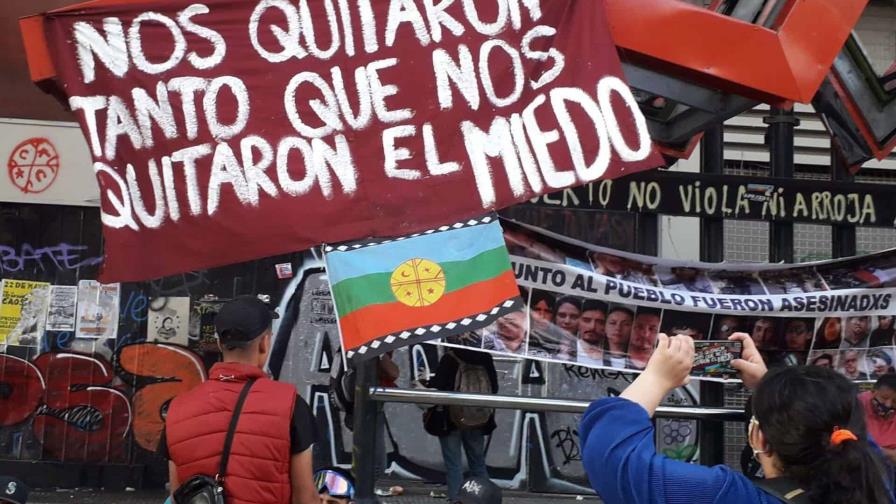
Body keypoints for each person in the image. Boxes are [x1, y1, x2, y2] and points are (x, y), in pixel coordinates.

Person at [579, 332, 894, 504]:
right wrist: (773, 391)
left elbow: (612, 458)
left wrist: (657, 378)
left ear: (760, 439)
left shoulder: (728, 496)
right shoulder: (877, 483)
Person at [162, 296, 318, 504]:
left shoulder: (177, 409)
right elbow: (304, 497)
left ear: (219, 343)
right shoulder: (291, 405)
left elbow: (179, 493)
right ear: (264, 342)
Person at [427, 347, 498, 503]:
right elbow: (494, 387)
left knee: (454, 465)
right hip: (478, 419)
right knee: (478, 463)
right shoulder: (485, 358)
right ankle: (485, 500)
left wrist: (426, 382)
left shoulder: (450, 358)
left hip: (451, 420)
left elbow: (439, 386)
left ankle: (457, 500)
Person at [859, 374, 896, 464]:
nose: (888, 405)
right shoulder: (857, 405)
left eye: (895, 401)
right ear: (873, 392)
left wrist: (877, 451)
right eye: (884, 398)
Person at [576, 299, 608, 366]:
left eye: (600, 322)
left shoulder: (612, 354)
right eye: (586, 320)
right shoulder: (567, 351)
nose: (592, 327)